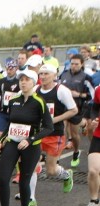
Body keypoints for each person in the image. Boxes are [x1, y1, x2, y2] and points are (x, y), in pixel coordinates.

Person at [0, 69, 53, 206]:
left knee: (24, 180)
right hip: (13, 143)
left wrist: (30, 139)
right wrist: (2, 140)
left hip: (31, 146)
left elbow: (49, 127)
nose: (23, 82)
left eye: (27, 80)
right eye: (21, 80)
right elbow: (10, 124)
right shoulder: (14, 100)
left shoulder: (39, 101)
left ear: (34, 83)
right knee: (3, 178)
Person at [37, 64, 78, 196]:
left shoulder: (61, 90)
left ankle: (66, 175)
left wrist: (54, 119)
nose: (42, 77)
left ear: (54, 75)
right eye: (41, 74)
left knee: (51, 171)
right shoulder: (35, 89)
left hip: (55, 134)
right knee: (29, 165)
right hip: (37, 133)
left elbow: (74, 110)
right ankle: (29, 197)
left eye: (46, 74)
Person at [58, 54, 94, 168]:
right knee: (61, 130)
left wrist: (79, 94)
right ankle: (57, 156)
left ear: (82, 64)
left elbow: (92, 96)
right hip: (63, 107)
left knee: (74, 134)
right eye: (72, 64)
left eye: (76, 64)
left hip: (77, 108)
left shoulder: (86, 77)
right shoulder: (64, 75)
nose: (74, 66)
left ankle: (76, 150)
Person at [82, 86, 100, 206]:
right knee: (93, 170)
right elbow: (95, 107)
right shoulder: (99, 89)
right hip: (99, 136)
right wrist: (94, 119)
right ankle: (94, 201)